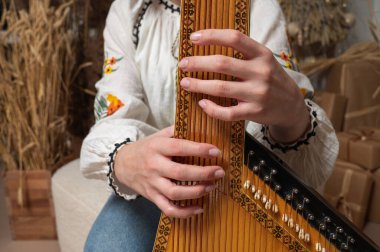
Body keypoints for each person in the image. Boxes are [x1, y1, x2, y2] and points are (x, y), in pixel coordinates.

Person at [80, 0, 339, 251]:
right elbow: (114, 111)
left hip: (245, 179)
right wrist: (125, 159)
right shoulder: (129, 10)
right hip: (160, 185)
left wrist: (292, 112)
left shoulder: (258, 6)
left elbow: (287, 131)